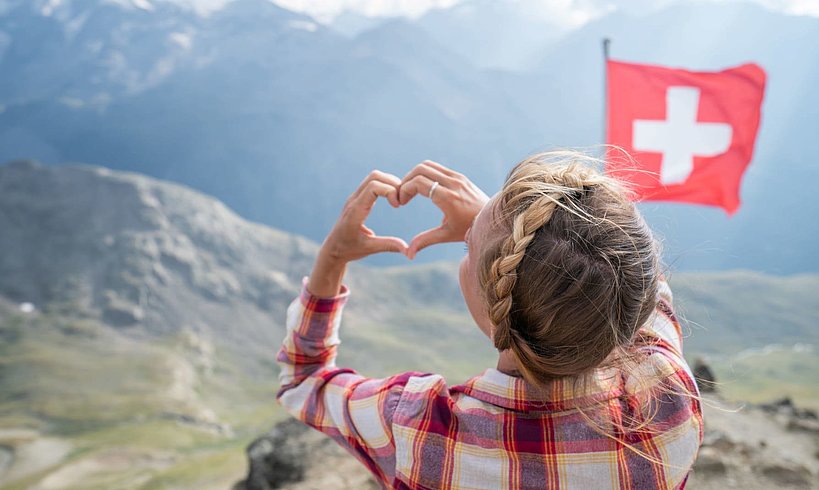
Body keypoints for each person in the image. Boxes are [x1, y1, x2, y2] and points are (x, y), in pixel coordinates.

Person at [276, 150, 704, 489]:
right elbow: (638, 282)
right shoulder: (669, 402)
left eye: (468, 248)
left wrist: (333, 257)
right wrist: (507, 237)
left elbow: (303, 379)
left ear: (497, 303)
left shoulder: (420, 428)